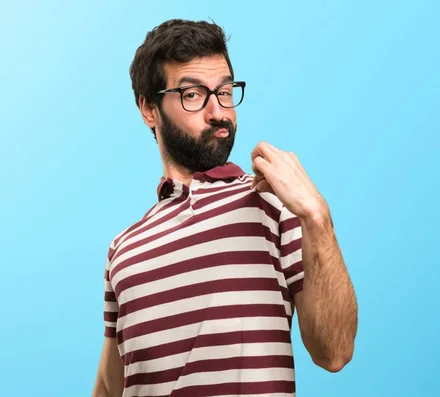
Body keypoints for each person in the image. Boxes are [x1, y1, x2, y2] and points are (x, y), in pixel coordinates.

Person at [92, 18, 358, 397]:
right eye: (193, 95)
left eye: (226, 91)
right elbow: (108, 384)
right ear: (149, 109)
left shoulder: (274, 204)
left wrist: (317, 216)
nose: (219, 112)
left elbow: (335, 351)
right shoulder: (123, 249)